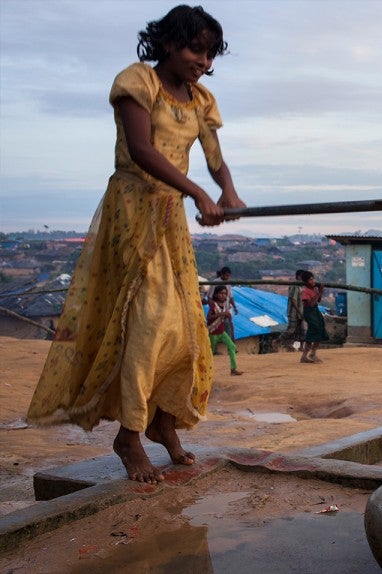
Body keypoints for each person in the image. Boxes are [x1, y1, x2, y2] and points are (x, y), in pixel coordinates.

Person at [26, 5, 245, 484]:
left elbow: (214, 159)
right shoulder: (138, 82)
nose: (202, 61)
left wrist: (226, 191)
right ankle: (128, 434)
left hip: (169, 220)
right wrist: (198, 194)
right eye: (194, 49)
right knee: (148, 320)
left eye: (209, 53)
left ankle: (162, 421)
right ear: (168, 43)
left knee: (186, 325)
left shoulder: (201, 99)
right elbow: (143, 151)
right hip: (132, 210)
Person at [207, 287, 243, 375]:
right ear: (216, 294)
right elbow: (209, 317)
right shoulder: (213, 304)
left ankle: (233, 369)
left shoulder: (226, 305)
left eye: (225, 294)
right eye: (221, 293)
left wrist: (227, 316)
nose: (223, 295)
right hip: (213, 332)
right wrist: (222, 314)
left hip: (221, 331)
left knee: (232, 347)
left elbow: (227, 317)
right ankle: (206, 371)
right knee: (210, 352)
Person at [300, 271, 329, 363]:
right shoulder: (305, 291)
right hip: (309, 312)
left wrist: (321, 291)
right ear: (306, 282)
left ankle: (313, 353)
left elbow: (318, 300)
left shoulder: (314, 289)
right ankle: (304, 356)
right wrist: (319, 291)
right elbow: (311, 304)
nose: (312, 281)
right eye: (310, 280)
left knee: (320, 329)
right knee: (313, 330)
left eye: (313, 279)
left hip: (316, 311)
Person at [205, 266, 238, 339]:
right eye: (226, 275)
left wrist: (235, 307)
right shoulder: (216, 282)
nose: (228, 277)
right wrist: (213, 308)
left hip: (225, 309)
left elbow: (230, 296)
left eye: (229, 276)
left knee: (229, 326)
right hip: (217, 309)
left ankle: (232, 345)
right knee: (215, 327)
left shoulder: (228, 283)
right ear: (222, 275)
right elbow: (210, 297)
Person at [283, 269, 307, 350]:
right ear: (298, 277)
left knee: (302, 330)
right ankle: (278, 341)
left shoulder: (301, 287)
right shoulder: (294, 286)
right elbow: (293, 300)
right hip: (294, 312)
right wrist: (299, 312)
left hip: (300, 311)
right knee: (291, 330)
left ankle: (300, 347)